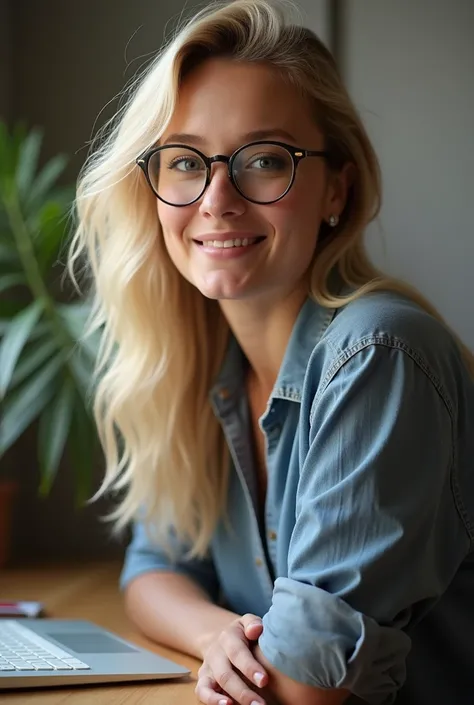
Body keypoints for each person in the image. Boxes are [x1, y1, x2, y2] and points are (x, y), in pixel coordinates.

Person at [69, 1, 474, 703]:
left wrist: (238, 647)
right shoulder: (198, 365)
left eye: (264, 160)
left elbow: (305, 683)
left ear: (336, 191)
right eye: (185, 161)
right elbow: (151, 568)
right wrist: (215, 634)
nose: (216, 199)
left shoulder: (379, 355)